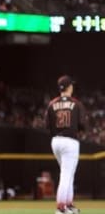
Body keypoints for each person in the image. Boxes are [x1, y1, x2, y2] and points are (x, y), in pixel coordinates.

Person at [46, 75, 86, 214]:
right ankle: (61, 207)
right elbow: (82, 125)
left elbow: (48, 126)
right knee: (66, 174)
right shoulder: (76, 103)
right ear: (69, 87)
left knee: (68, 174)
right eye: (71, 85)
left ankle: (68, 205)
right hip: (70, 142)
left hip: (56, 141)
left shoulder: (51, 104)